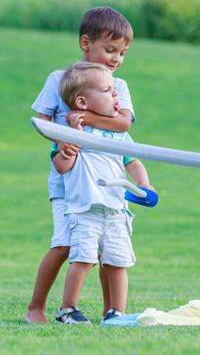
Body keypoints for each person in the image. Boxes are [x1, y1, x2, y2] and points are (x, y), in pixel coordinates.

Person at [26, 6, 150, 324]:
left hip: (106, 181)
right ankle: (36, 308)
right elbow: (42, 123)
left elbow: (122, 124)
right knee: (66, 243)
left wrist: (83, 119)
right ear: (86, 42)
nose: (116, 58)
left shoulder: (117, 86)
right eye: (110, 49)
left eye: (122, 53)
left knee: (106, 247)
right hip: (67, 179)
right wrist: (64, 139)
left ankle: (113, 313)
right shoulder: (58, 80)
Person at [53, 61, 145, 324]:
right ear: (82, 102)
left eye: (115, 90)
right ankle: (67, 309)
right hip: (85, 211)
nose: (115, 95)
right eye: (107, 91)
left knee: (117, 262)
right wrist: (68, 151)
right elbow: (60, 165)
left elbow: (134, 162)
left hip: (116, 210)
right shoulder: (72, 134)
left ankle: (115, 313)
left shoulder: (119, 137)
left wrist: (144, 185)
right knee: (83, 260)